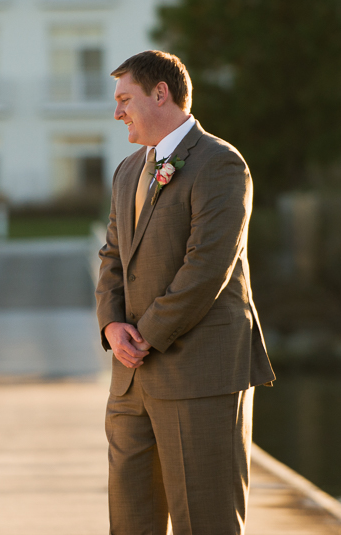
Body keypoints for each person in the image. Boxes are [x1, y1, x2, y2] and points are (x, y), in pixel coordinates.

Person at [96, 51, 275, 534]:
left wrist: (145, 334)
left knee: (206, 523)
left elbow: (207, 266)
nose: (118, 113)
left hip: (200, 374)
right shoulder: (128, 171)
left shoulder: (220, 164)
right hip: (130, 384)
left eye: (125, 99)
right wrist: (113, 326)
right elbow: (112, 257)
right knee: (131, 524)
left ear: (162, 94)